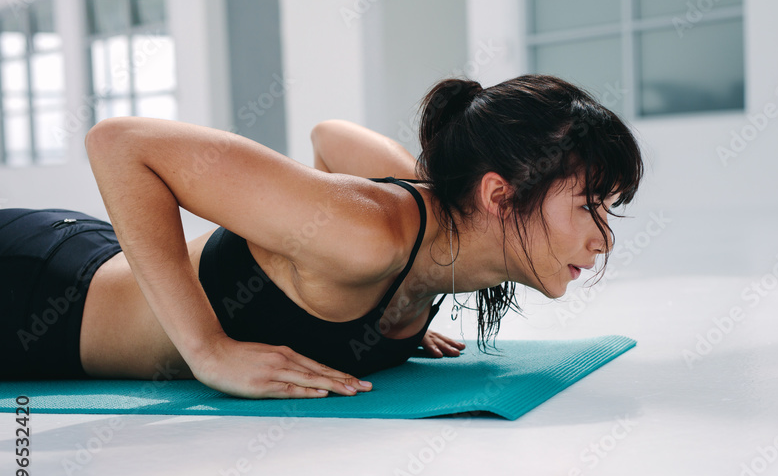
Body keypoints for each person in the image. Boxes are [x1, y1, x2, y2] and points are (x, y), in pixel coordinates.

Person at [0, 74, 644, 399]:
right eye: (589, 206)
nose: (604, 239)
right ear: (499, 195)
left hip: (88, 250)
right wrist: (206, 350)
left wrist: (406, 304)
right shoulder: (364, 236)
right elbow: (118, 144)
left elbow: (330, 135)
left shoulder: (433, 229)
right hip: (27, 296)